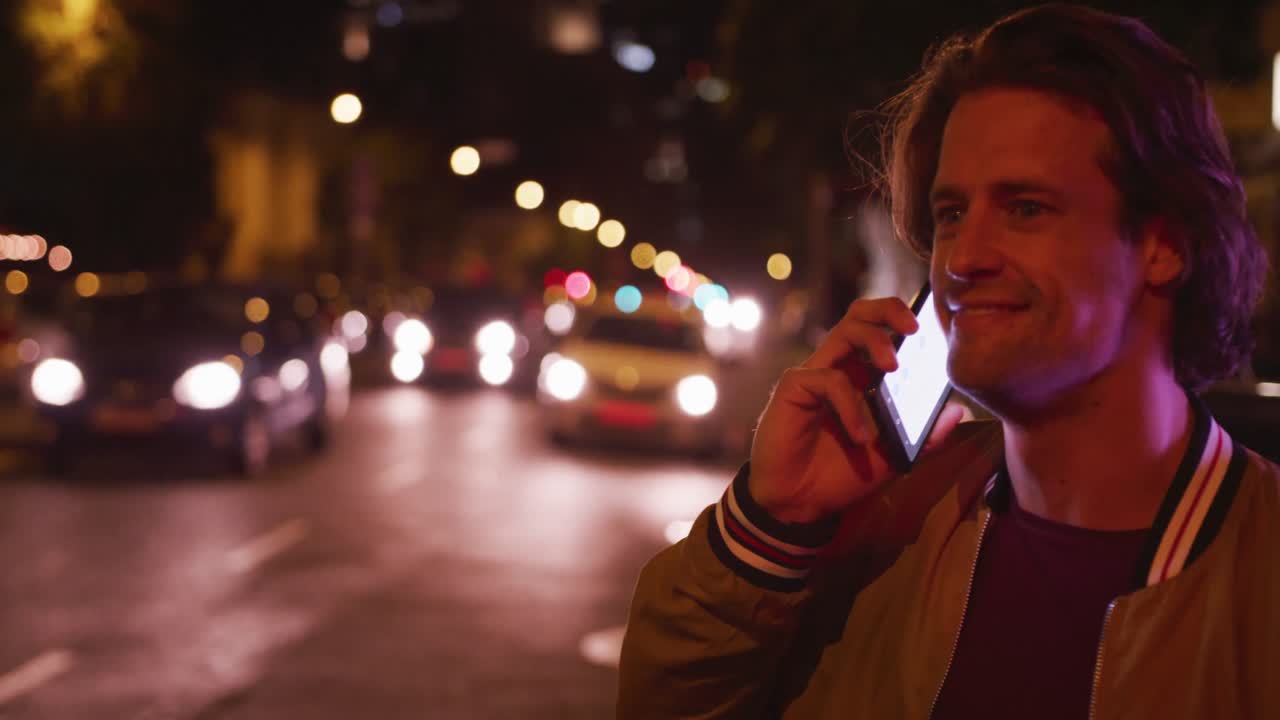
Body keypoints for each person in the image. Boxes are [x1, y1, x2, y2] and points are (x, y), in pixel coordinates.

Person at [617, 4, 1280, 718]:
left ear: (1164, 244)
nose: (960, 260)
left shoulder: (1259, 582)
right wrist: (772, 525)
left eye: (1025, 208)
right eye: (951, 214)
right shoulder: (889, 525)